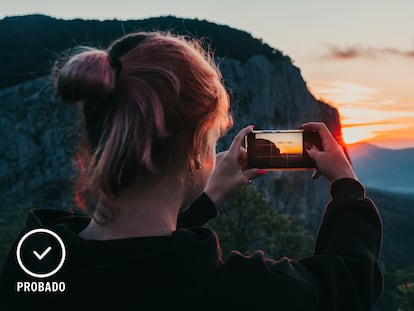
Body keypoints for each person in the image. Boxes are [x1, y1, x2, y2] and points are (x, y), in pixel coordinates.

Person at [0, 32, 383, 310]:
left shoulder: (32, 268)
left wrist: (205, 196)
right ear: (193, 151)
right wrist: (347, 188)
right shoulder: (236, 292)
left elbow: (134, 259)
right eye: (211, 137)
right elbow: (346, 285)